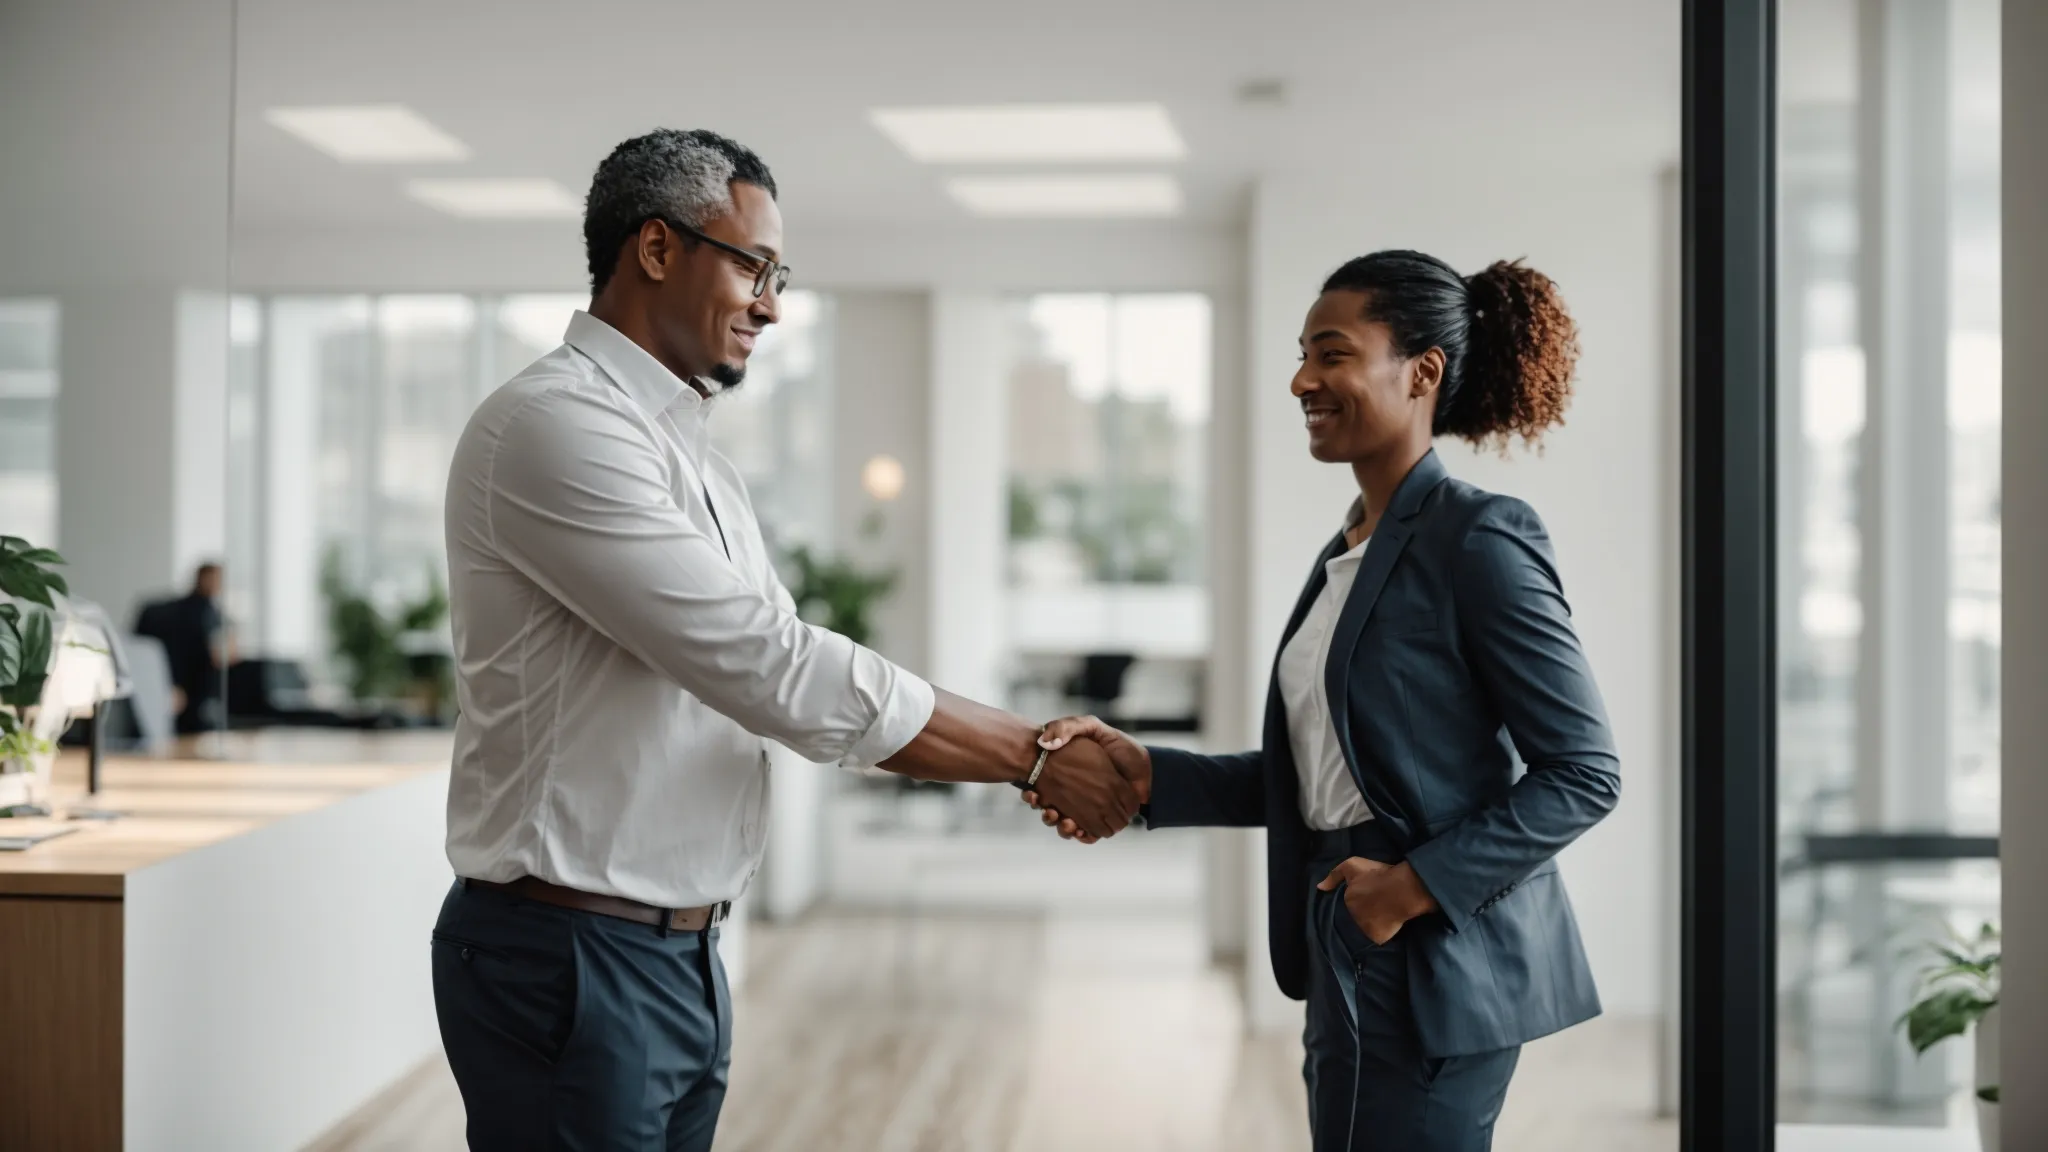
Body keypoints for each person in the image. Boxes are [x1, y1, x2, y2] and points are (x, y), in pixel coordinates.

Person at [431, 128, 1137, 1152]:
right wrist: (1030, 754)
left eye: (779, 274)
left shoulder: (695, 460)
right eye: (753, 266)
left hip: (676, 955)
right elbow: (770, 669)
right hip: (571, 955)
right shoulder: (552, 427)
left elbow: (773, 656)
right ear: (657, 249)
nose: (771, 302)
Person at [1027, 250, 1620, 1151]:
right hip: (1348, 930)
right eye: (1302, 353)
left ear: (1423, 372)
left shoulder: (1479, 537)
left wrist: (1411, 889)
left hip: (1431, 957)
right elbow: (1327, 772)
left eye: (1332, 353)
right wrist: (1150, 772)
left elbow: (1584, 772)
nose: (1302, 378)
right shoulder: (1350, 546)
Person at [132, 561, 230, 734]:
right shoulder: (189, 613)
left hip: (190, 693)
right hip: (181, 689)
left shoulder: (212, 612)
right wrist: (170, 685)